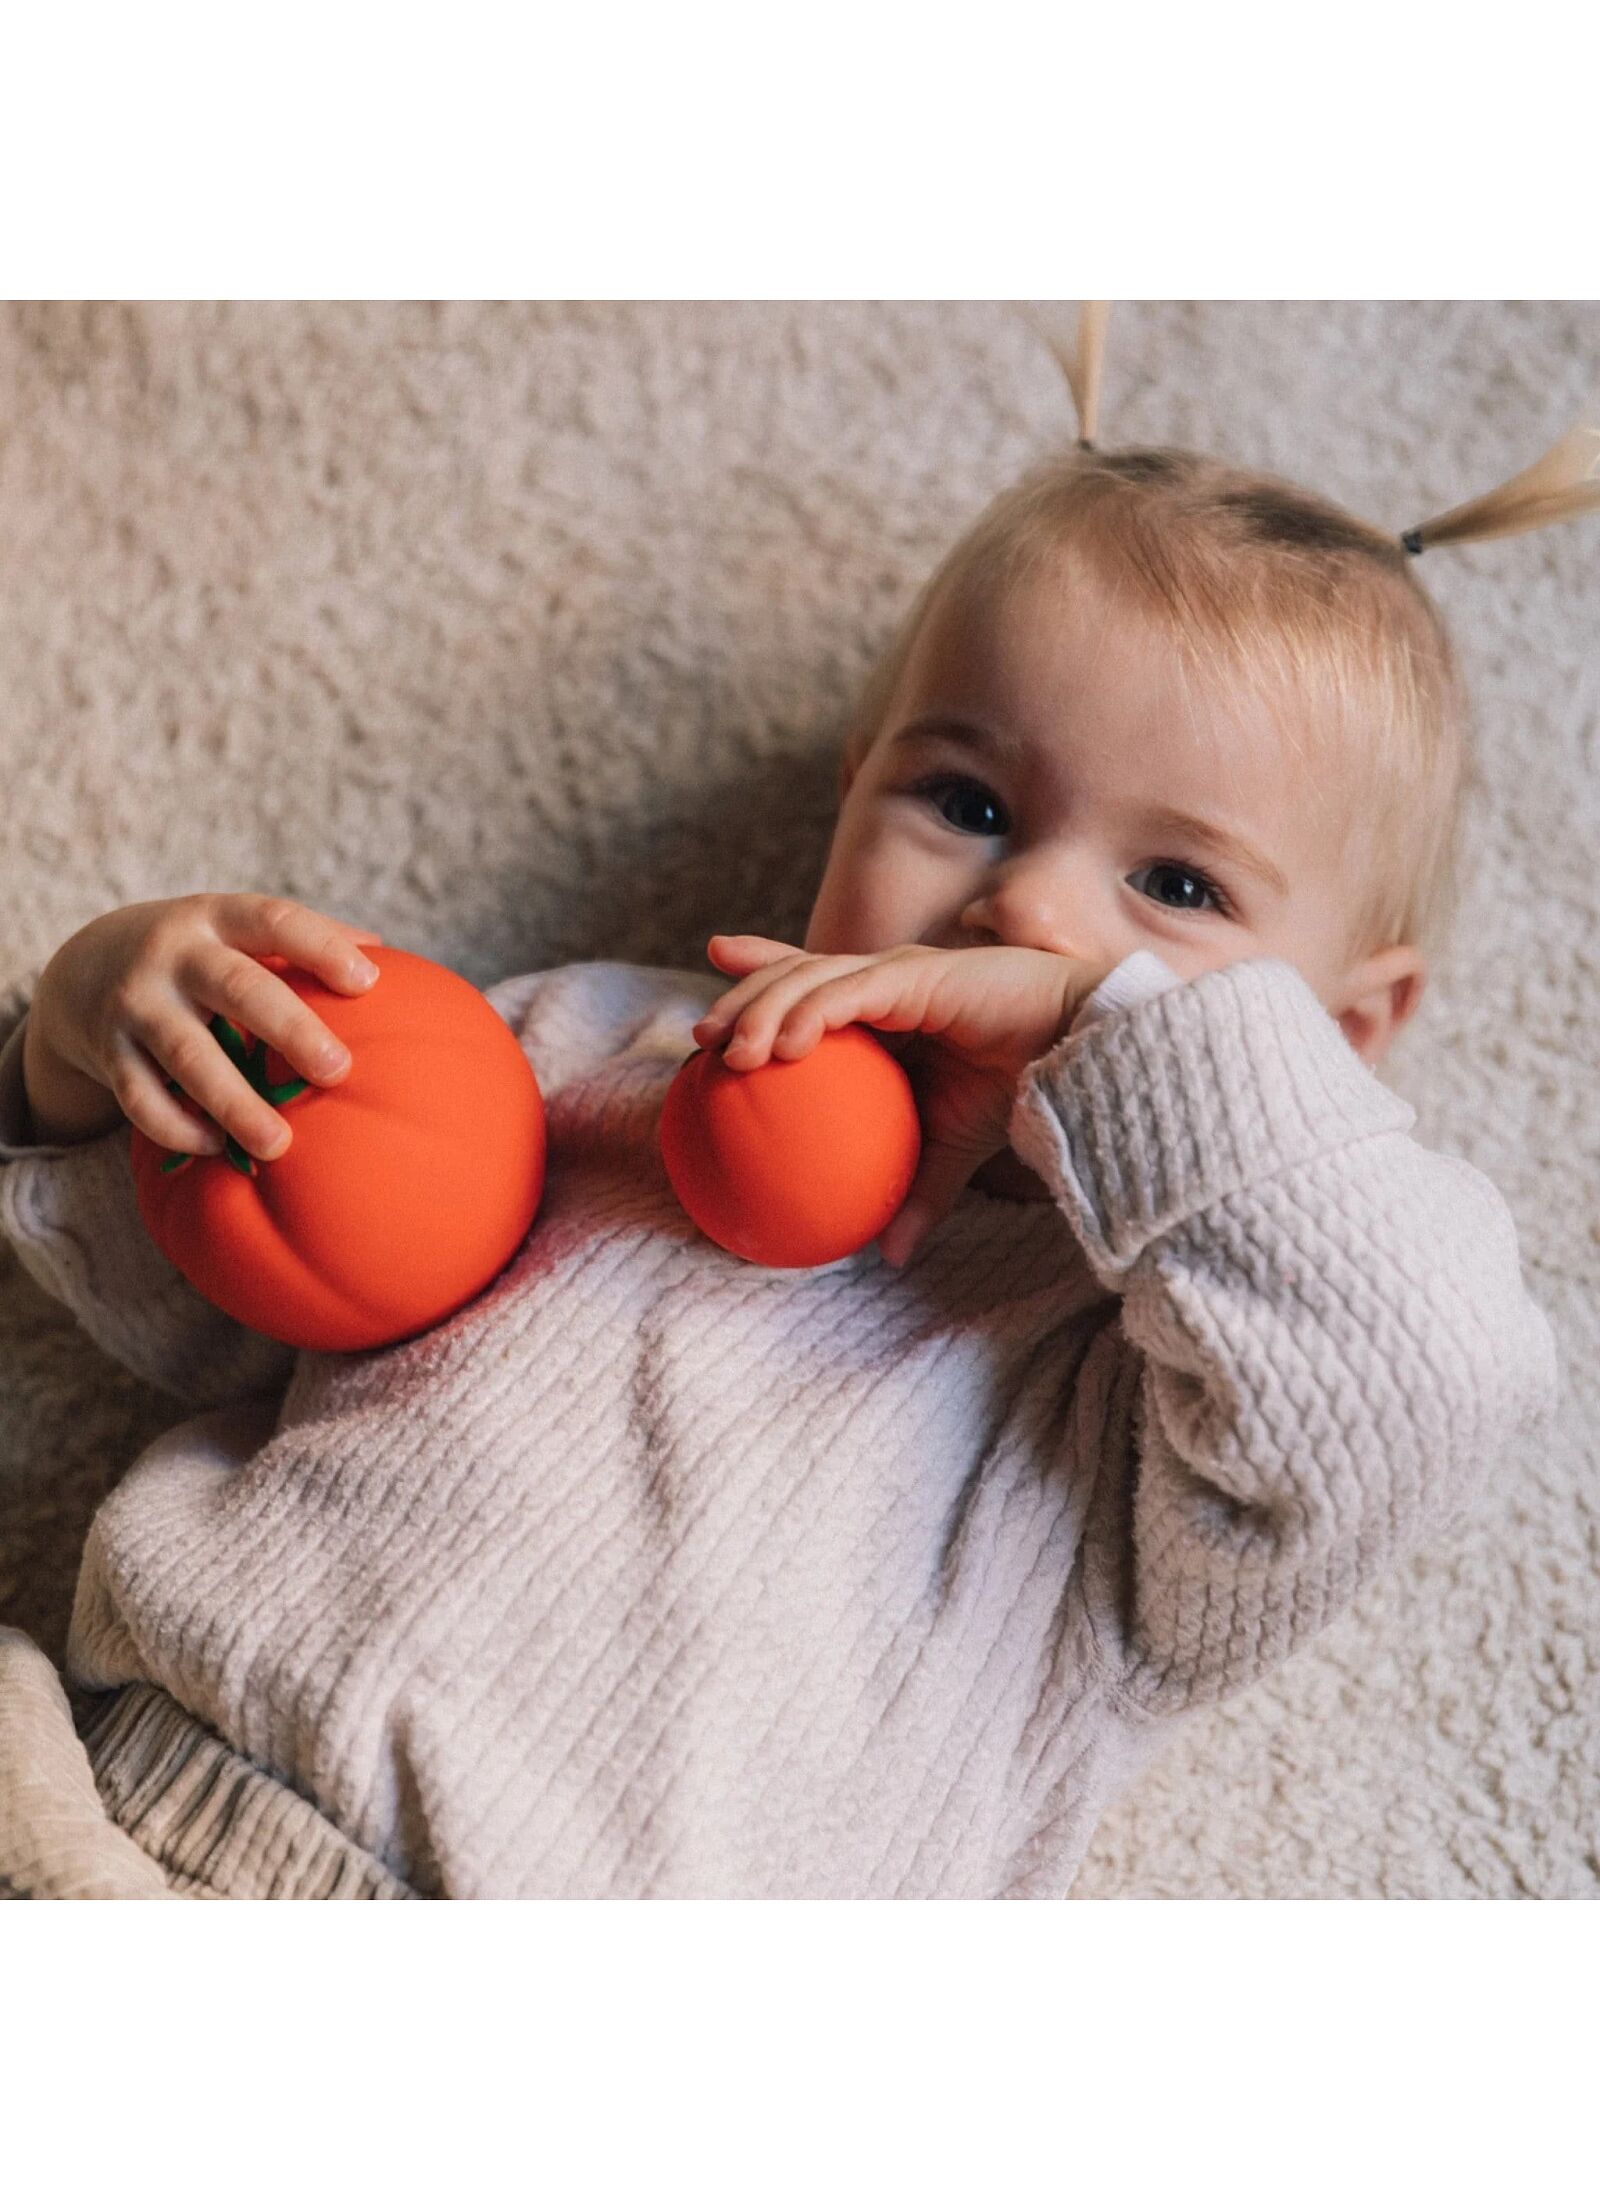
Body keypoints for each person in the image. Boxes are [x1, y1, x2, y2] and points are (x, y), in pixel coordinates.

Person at [0, 310, 1584, 1898]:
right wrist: (98, 1049)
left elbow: (1429, 1368)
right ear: (854, 791)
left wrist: (1104, 1034)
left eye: (1176, 886)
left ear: (1341, 1035)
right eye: (966, 803)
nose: (1028, 906)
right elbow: (217, 1301)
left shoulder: (1161, 1404)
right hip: (121, 1805)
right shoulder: (592, 1047)